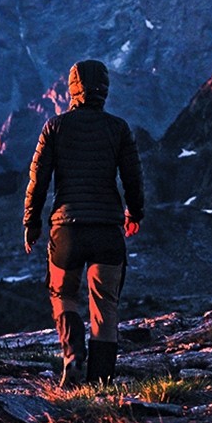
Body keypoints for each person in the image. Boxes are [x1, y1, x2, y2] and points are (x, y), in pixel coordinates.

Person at [23, 59, 144, 387]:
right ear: (105, 90)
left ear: (71, 89)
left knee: (62, 293)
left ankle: (73, 354)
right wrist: (135, 213)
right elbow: (133, 177)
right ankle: (101, 381)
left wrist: (31, 222)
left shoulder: (54, 127)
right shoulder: (118, 128)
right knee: (105, 305)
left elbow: (38, 180)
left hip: (67, 231)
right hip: (107, 229)